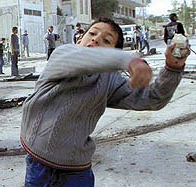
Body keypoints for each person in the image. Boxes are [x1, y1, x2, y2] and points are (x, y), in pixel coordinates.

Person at [21, 18, 190, 186]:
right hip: (39, 163)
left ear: (113, 52)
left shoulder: (109, 80)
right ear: (79, 39)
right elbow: (83, 57)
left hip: (76, 168)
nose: (96, 39)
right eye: (92, 33)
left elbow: (153, 98)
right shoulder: (62, 55)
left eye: (106, 40)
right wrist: (129, 61)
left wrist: (172, 68)